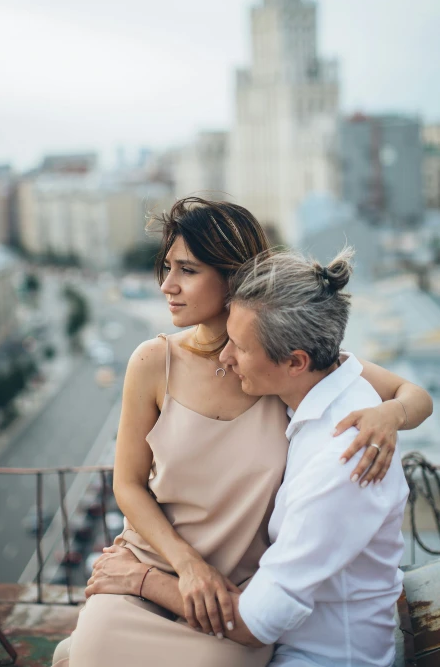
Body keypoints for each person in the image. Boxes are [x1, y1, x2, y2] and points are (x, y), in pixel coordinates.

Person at [53, 198, 432, 667]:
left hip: (235, 599)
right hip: (149, 566)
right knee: (92, 653)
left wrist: (388, 415)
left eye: (187, 271)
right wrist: (185, 566)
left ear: (231, 277)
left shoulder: (279, 362)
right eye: (166, 267)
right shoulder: (153, 362)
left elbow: (415, 396)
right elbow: (127, 483)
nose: (166, 285)